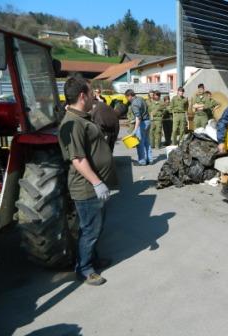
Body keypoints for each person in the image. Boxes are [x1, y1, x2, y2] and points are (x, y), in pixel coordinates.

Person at [58, 76, 118, 286]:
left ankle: (91, 258)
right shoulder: (72, 123)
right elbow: (78, 159)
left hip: (93, 186)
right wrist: (97, 182)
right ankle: (84, 269)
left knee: (95, 227)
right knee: (90, 230)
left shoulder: (81, 117)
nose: (94, 97)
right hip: (86, 188)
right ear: (83, 96)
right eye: (91, 94)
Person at [125, 89, 152, 165]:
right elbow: (144, 111)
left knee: (140, 143)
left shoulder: (134, 104)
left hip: (142, 123)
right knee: (147, 142)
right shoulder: (141, 99)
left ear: (130, 96)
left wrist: (135, 130)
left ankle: (142, 161)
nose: (127, 99)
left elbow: (138, 117)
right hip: (148, 121)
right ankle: (150, 160)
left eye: (127, 97)